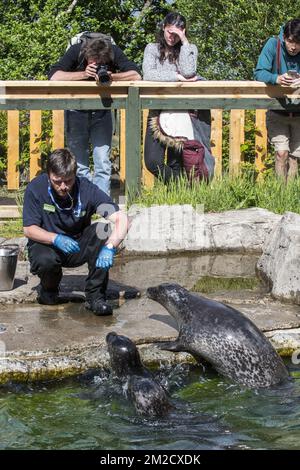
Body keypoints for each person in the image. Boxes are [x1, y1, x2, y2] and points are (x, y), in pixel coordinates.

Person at [23, 148, 129, 316]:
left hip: (77, 245)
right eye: (57, 181)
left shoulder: (87, 189)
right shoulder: (36, 189)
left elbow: (121, 218)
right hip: (48, 245)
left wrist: (110, 246)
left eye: (68, 181)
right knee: (45, 260)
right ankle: (49, 290)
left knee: (102, 230)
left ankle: (95, 297)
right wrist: (55, 238)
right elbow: (29, 229)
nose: (63, 187)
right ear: (49, 174)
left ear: (75, 174)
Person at [48, 35, 141, 195]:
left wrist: (112, 76)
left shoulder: (113, 50)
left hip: (102, 110)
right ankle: (84, 203)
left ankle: (101, 205)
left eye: (101, 63)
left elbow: (136, 74)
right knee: (79, 164)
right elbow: (53, 75)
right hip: (75, 110)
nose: (96, 65)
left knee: (103, 162)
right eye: (93, 61)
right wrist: (83, 74)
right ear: (86, 54)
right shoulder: (77, 50)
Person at [142, 12, 211, 182]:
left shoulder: (189, 49)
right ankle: (183, 186)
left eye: (177, 34)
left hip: (183, 112)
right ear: (164, 28)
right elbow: (148, 74)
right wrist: (176, 77)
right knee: (152, 162)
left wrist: (185, 41)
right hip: (158, 110)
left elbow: (189, 71)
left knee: (176, 163)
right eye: (170, 33)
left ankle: (177, 197)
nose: (172, 38)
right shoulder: (152, 48)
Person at [254, 19, 300, 181]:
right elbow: (259, 72)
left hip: (299, 112)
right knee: (281, 154)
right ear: (284, 38)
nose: (294, 47)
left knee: (295, 158)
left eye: (298, 43)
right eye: (290, 41)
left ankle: (289, 199)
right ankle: (279, 196)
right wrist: (276, 78)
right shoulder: (273, 44)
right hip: (277, 109)